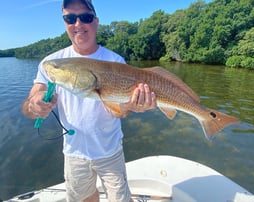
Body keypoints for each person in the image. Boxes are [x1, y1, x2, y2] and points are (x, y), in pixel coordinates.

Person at [21, 0, 156, 201]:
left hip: (110, 151)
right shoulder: (52, 63)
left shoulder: (115, 61)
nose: (78, 24)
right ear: (65, 22)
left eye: (85, 17)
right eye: (70, 18)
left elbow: (119, 111)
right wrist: (35, 105)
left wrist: (130, 106)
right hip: (73, 153)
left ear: (96, 22)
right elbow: (29, 105)